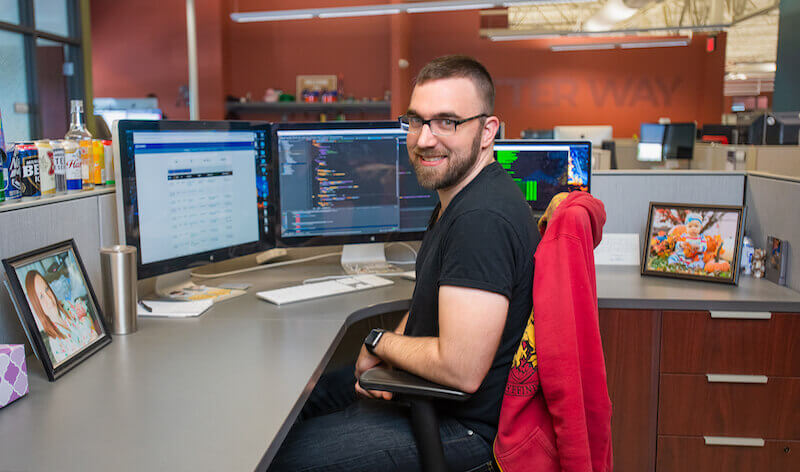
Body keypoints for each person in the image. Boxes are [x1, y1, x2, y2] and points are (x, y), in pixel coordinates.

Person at [268, 55, 539, 472]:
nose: (425, 139)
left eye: (447, 121)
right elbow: (430, 305)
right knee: (295, 404)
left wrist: (378, 342)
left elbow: (461, 368)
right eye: (417, 121)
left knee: (278, 460)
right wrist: (391, 351)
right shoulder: (458, 197)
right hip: (429, 396)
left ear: (488, 132)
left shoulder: (480, 220)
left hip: (460, 426)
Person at [24, 269, 99, 364]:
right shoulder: (56, 345)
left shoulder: (68, 305)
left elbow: (91, 324)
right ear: (37, 306)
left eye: (46, 289)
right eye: (41, 297)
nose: (49, 299)